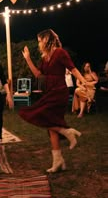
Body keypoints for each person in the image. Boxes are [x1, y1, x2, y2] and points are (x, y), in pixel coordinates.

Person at [19, 29, 87, 173]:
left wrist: (83, 81)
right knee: (51, 126)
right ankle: (58, 160)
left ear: (47, 39)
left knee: (39, 115)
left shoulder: (60, 53)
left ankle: (67, 132)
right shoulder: (45, 57)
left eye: (39, 40)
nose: (38, 43)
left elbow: (73, 69)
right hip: (49, 92)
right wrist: (28, 59)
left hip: (59, 92)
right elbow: (38, 74)